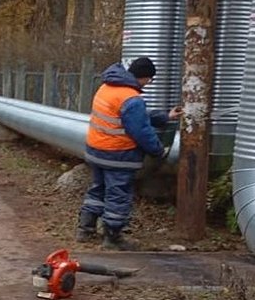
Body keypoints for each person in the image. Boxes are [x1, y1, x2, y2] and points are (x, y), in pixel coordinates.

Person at [75, 57, 182, 251]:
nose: (148, 84)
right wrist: (158, 150)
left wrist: (165, 116)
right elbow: (140, 129)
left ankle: (85, 229)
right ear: (145, 77)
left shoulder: (107, 88)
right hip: (118, 155)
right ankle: (112, 237)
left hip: (96, 151)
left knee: (97, 190)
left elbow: (130, 116)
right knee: (118, 195)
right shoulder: (132, 99)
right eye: (149, 80)